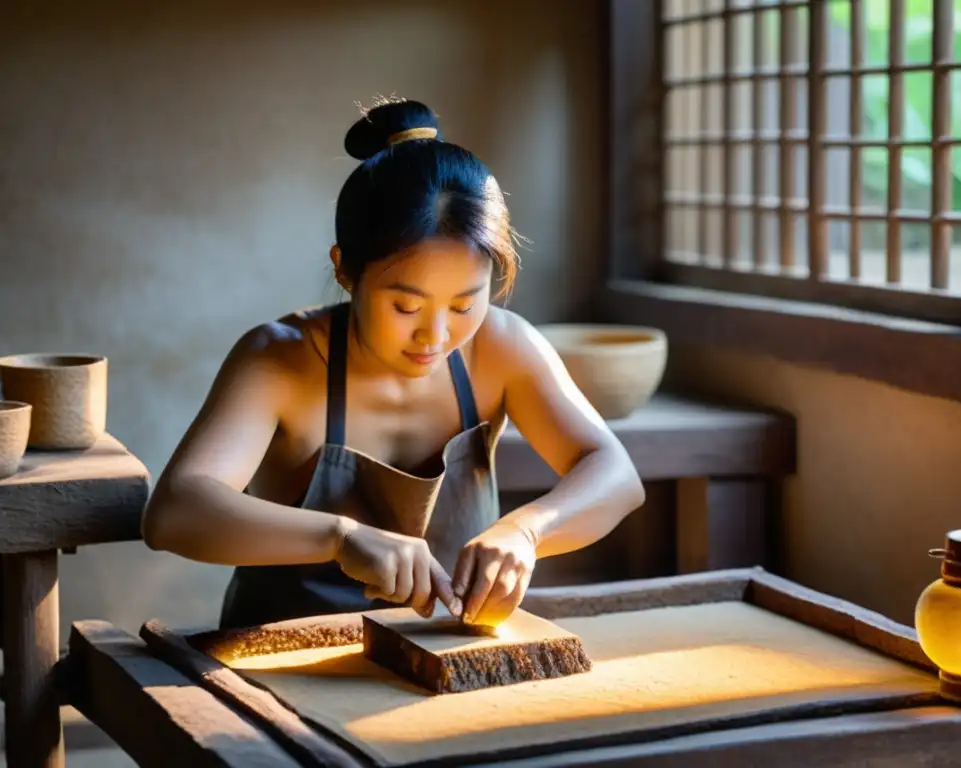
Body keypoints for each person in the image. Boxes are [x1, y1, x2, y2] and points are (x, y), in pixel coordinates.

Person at [141, 98, 645, 631]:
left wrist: (528, 530)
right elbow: (175, 512)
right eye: (405, 306)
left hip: (443, 653)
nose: (435, 334)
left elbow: (615, 474)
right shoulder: (279, 359)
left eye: (463, 304)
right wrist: (341, 538)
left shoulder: (503, 347)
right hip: (283, 660)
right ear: (345, 271)